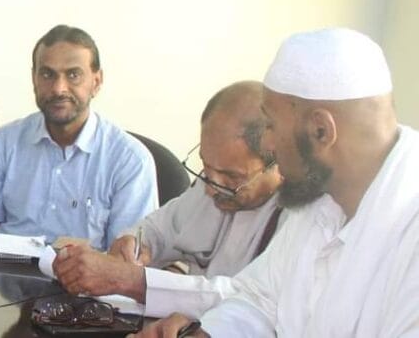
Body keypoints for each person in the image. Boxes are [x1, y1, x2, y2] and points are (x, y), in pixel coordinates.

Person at [137, 28, 419, 337]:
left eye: (271, 125)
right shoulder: (320, 200)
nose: (267, 144)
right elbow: (259, 301)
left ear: (321, 130)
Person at [49, 81, 284, 318]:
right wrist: (134, 243)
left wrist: (130, 280)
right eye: (206, 166)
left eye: (232, 177)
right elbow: (157, 230)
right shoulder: (214, 183)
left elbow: (248, 301)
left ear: (280, 165)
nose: (211, 189)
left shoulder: (296, 221)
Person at [0, 25, 157, 247]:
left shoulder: (130, 160)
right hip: (5, 267)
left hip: (88, 270)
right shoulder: (3, 143)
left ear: (96, 82)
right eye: (47, 74)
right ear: (34, 78)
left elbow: (126, 258)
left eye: (73, 75)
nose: (59, 89)